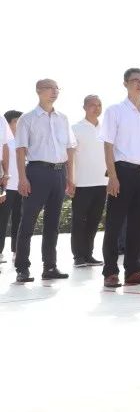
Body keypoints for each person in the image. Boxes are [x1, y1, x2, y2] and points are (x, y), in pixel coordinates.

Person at [100, 68, 140, 288]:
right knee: (115, 223)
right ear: (125, 84)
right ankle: (110, 271)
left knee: (139, 224)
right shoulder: (115, 111)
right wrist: (113, 176)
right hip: (122, 171)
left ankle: (133, 270)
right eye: (135, 80)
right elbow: (108, 145)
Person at [13, 79, 77, 283]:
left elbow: (69, 148)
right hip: (37, 172)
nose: (55, 92)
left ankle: (50, 266)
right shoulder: (27, 118)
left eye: (57, 88)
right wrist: (22, 178)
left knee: (52, 223)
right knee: (28, 222)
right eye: (50, 88)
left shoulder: (63, 118)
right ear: (38, 91)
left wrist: (70, 177)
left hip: (59, 173)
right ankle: (22, 267)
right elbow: (21, 149)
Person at [70, 95, 107, 267]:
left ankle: (88, 254)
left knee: (94, 220)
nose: (96, 108)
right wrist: (70, 180)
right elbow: (68, 158)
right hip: (82, 183)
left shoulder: (106, 128)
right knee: (79, 220)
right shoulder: (75, 128)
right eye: (92, 105)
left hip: (102, 182)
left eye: (99, 105)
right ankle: (78, 256)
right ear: (84, 107)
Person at [0, 112, 19, 266]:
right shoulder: (5, 142)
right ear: (8, 123)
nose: (19, 124)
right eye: (16, 121)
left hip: (21, 187)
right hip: (6, 186)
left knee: (19, 220)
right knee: (2, 220)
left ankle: (16, 251)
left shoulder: (23, 141)